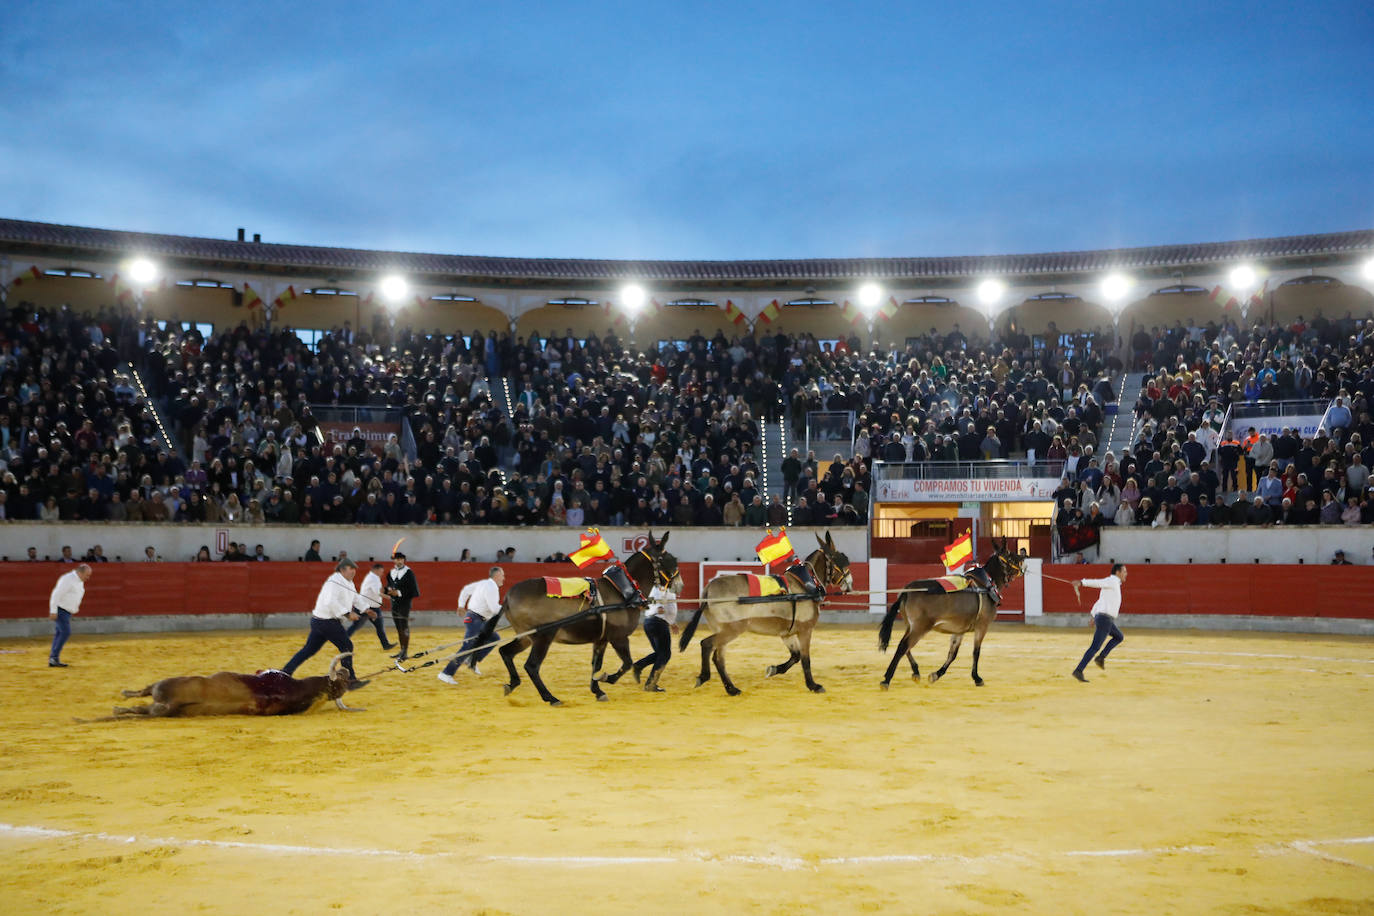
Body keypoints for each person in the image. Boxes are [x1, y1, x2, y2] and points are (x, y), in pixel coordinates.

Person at [282, 559, 370, 689]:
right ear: (342, 570)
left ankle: (285, 672)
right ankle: (350, 681)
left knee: (309, 650)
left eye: (354, 569)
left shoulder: (347, 582)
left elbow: (355, 598)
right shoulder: (334, 582)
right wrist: (347, 613)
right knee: (346, 646)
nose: (353, 571)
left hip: (320, 621)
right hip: (327, 622)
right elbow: (330, 602)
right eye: (350, 569)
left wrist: (366, 609)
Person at [438, 566, 504, 682]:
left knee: (494, 637)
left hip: (474, 618)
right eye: (502, 575)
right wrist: (507, 609)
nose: (504, 578)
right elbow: (494, 609)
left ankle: (471, 659)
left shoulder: (483, 583)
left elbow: (465, 590)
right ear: (497, 575)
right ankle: (446, 673)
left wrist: (461, 605)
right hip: (476, 620)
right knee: (467, 646)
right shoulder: (492, 587)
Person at [1071, 563, 1128, 683]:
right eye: (1124, 571)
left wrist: (1093, 615)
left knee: (1119, 637)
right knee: (1095, 646)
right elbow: (1098, 582)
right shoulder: (1112, 581)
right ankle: (1079, 670)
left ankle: (1101, 657)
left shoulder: (1114, 584)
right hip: (1105, 619)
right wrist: (1082, 582)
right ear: (1117, 572)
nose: (1126, 574)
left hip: (1104, 619)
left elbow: (1100, 601)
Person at [631, 582, 679, 691]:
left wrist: (672, 622)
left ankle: (638, 666)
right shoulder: (663, 586)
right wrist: (659, 606)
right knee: (665, 654)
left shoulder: (665, 588)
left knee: (660, 653)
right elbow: (659, 597)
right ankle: (650, 684)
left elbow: (660, 601)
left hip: (651, 622)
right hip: (658, 623)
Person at [48, 564, 92, 667]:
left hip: (66, 611)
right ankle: (54, 657)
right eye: (87, 575)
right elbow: (56, 594)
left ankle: (53, 658)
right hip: (61, 610)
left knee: (60, 633)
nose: (88, 578)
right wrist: (53, 611)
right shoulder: (68, 579)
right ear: (80, 572)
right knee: (65, 632)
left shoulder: (78, 580)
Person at [347, 562, 396, 650]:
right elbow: (377, 592)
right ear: (376, 570)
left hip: (371, 607)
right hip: (366, 607)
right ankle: (343, 640)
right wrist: (389, 597)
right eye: (381, 571)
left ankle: (385, 645)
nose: (382, 573)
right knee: (356, 626)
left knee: (378, 626)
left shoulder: (372, 577)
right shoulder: (374, 579)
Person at [384, 551, 420, 659]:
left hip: (404, 604)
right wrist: (388, 590)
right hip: (394, 603)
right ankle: (401, 650)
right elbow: (389, 586)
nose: (398, 561)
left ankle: (405, 652)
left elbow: (414, 591)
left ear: (404, 560)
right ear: (393, 560)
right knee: (398, 627)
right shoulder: (391, 572)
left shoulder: (409, 572)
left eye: (400, 559)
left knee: (404, 626)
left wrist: (399, 593)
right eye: (396, 559)